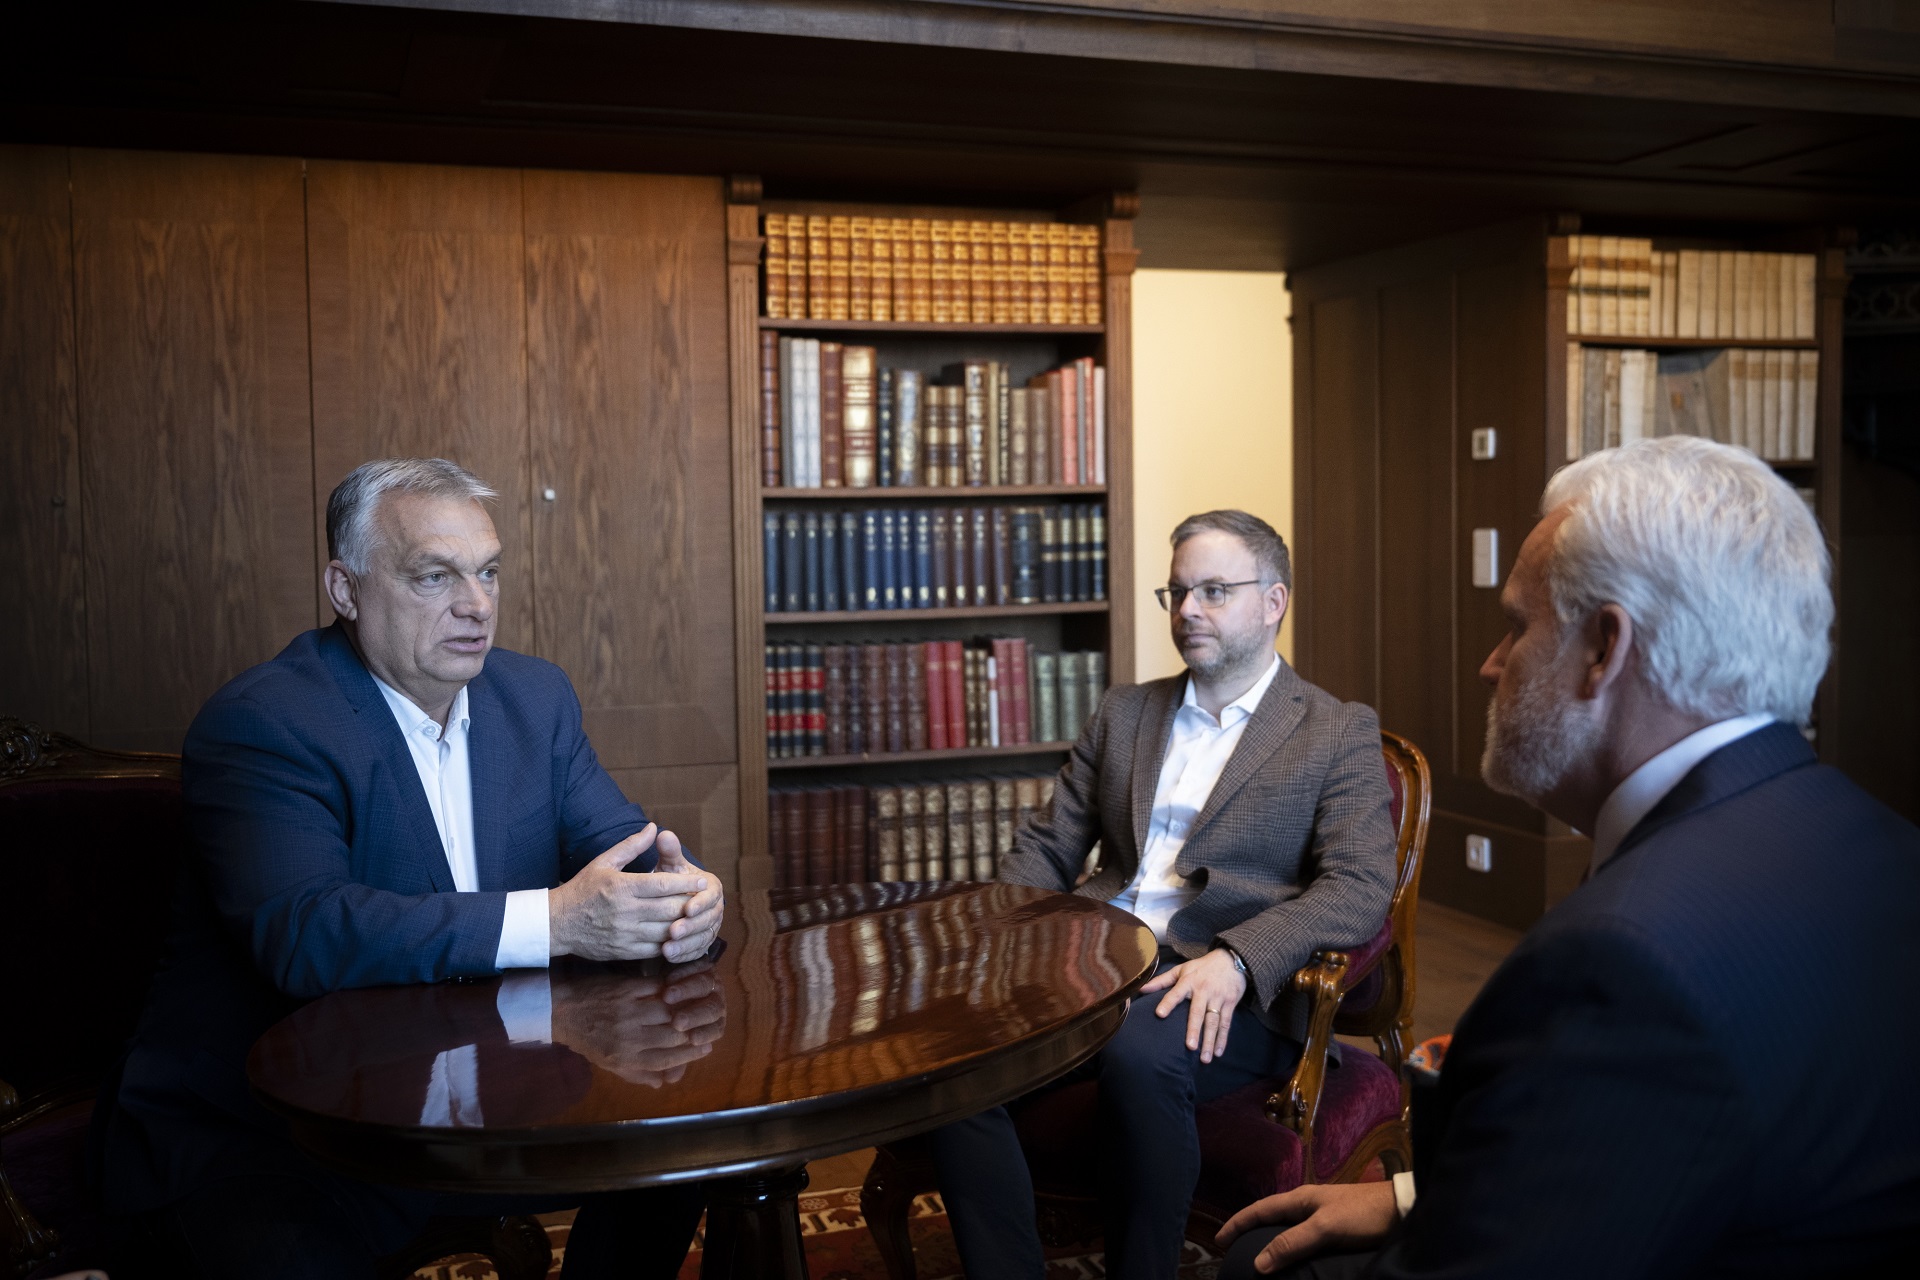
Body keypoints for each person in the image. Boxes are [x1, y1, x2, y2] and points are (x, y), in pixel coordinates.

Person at [1216, 436, 1920, 1278]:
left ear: (1602, 651)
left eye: (1517, 626)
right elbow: (1698, 1144)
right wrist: (1412, 1196)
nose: (1490, 664)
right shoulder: (1882, 842)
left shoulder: (1621, 962)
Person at [93, 458, 725, 1280]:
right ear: (346, 589)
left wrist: (684, 894)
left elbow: (629, 846)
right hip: (275, 1132)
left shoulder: (534, 698)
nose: (477, 604)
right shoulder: (265, 721)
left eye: (488, 572)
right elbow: (306, 933)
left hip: (478, 1102)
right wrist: (558, 920)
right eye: (435, 576)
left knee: (690, 1150)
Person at [931, 509, 1398, 1280]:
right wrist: (997, 939)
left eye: (1213, 591)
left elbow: (1359, 886)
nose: (1187, 611)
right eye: (1177, 592)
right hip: (1091, 963)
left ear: (1273, 601)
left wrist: (1238, 960)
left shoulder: (1335, 730)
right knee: (955, 1060)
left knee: (1140, 1054)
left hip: (1228, 987)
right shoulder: (1126, 712)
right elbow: (1049, 845)